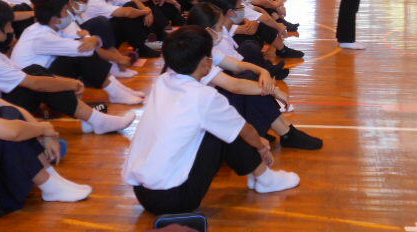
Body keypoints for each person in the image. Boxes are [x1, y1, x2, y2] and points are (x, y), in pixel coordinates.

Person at [123, 26, 300, 215]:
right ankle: (265, 178)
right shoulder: (204, 96)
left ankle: (257, 173)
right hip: (175, 199)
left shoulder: (163, 81)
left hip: (142, 193)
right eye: (210, 57)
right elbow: (245, 131)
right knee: (229, 131)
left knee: (223, 127)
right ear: (205, 62)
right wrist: (260, 146)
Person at [0, 28, 92, 221]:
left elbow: (11, 109)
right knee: (8, 131)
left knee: (9, 116)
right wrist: (43, 129)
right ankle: (49, 184)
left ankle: (51, 178)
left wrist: (46, 134)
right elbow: (12, 132)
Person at [0, 0, 135, 135]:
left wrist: (63, 82)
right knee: (37, 72)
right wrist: (70, 84)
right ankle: (98, 118)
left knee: (42, 72)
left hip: (7, 98)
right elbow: (34, 82)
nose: (11, 30)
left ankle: (93, 118)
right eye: (8, 25)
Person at [187, 3, 322, 149]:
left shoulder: (206, 48)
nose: (223, 31)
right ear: (208, 30)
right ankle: (286, 133)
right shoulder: (195, 57)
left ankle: (284, 131)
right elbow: (234, 86)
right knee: (247, 86)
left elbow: (238, 65)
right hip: (201, 123)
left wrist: (264, 72)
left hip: (208, 108)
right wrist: (273, 90)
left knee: (250, 78)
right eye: (220, 27)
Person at [11, 0, 144, 105]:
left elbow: (83, 42)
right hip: (33, 89)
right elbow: (86, 48)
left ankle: (119, 90)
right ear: (55, 19)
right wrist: (90, 37)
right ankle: (116, 93)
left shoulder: (46, 28)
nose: (68, 14)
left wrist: (91, 39)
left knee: (82, 52)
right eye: (65, 11)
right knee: (81, 55)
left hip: (43, 76)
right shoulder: (42, 36)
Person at [85, 0, 160, 58]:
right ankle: (141, 48)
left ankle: (146, 43)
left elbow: (133, 1)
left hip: (109, 34)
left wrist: (147, 11)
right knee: (125, 16)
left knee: (132, 6)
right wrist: (146, 11)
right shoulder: (95, 0)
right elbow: (126, 13)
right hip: (99, 40)